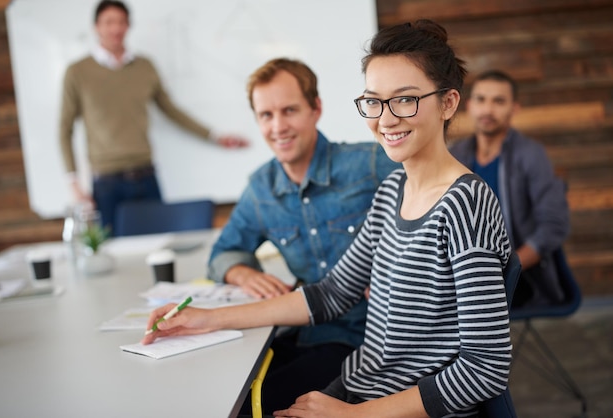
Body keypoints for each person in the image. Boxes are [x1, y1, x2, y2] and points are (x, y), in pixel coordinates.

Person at [143, 20, 513, 418]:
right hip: (358, 389)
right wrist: (205, 319)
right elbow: (330, 294)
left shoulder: (465, 203)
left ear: (449, 103)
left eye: (405, 99)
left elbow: (484, 369)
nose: (385, 119)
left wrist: (353, 415)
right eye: (374, 101)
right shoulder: (392, 192)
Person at [207, 57, 401, 413]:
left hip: (370, 342)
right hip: (306, 332)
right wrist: (244, 272)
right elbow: (223, 252)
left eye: (290, 110)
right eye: (266, 115)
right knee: (220, 388)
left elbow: (436, 206)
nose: (278, 126)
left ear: (316, 109)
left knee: (251, 407)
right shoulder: (261, 188)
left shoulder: (371, 164)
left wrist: (400, 267)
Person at [59, 0, 248, 231]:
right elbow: (64, 129)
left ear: (128, 26)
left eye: (121, 22)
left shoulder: (145, 67)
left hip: (146, 177)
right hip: (106, 183)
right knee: (114, 253)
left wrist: (214, 136)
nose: (115, 29)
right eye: (109, 22)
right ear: (96, 27)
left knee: (158, 245)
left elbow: (170, 110)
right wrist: (74, 184)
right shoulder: (78, 72)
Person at [450, 70, 570, 308]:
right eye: (481, 100)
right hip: (462, 274)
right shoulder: (455, 155)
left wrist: (509, 269)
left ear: (514, 109)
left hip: (519, 277)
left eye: (499, 101)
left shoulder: (531, 155)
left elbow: (553, 225)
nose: (488, 110)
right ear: (470, 106)